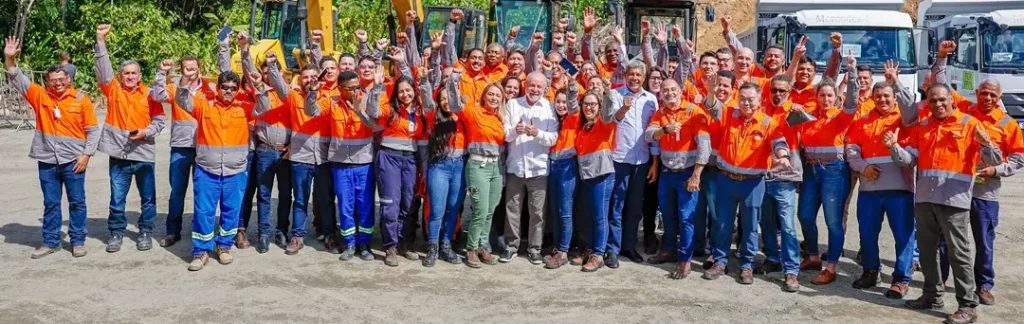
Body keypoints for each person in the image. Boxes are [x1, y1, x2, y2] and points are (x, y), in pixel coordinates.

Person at [890, 83, 1002, 324]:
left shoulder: (970, 124)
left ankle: (967, 305)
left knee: (958, 254)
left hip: (955, 200)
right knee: (928, 252)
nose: (938, 104)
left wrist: (986, 144)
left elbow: (995, 159)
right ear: (927, 103)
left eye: (942, 100)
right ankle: (932, 295)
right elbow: (910, 159)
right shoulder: (923, 127)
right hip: (925, 199)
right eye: (933, 101)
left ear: (952, 100)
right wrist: (894, 148)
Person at [5, 36, 99, 259]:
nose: (57, 82)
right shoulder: (39, 96)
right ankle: (50, 241)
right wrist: (9, 58)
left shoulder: (81, 100)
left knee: (77, 202)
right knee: (50, 202)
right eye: (52, 79)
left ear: (69, 78)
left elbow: (93, 130)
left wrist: (86, 155)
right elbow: (17, 78)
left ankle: (77, 241)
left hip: (74, 161)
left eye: (61, 78)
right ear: (47, 81)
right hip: (46, 159)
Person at [939, 79, 1024, 305]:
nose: (987, 98)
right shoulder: (965, 110)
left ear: (1000, 97)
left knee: (984, 241)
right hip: (956, 190)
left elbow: (1018, 159)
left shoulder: (1008, 124)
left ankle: (984, 285)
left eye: (993, 95)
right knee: (948, 238)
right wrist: (941, 57)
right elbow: (941, 86)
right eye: (984, 93)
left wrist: (996, 169)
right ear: (976, 93)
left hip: (985, 193)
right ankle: (941, 279)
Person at [175, 62, 267, 271]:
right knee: (204, 211)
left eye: (233, 88)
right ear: (218, 88)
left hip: (235, 172)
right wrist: (186, 78)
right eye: (225, 87)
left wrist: (260, 85)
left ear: (238, 91)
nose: (228, 91)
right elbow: (181, 99)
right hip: (207, 170)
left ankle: (224, 247)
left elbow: (265, 105)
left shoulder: (244, 109)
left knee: (231, 211)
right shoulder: (203, 106)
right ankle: (200, 251)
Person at [703, 83, 791, 285]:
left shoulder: (768, 122)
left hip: (752, 184)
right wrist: (710, 90)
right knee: (723, 223)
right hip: (726, 179)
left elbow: (778, 142)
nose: (746, 103)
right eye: (743, 98)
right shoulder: (729, 115)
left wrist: (783, 156)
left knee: (750, 226)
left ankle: (746, 265)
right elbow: (712, 106)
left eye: (751, 99)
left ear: (760, 100)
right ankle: (720, 261)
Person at [845, 62, 918, 298]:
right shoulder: (861, 121)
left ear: (894, 98)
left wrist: (894, 81)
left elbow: (909, 159)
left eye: (887, 96)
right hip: (869, 190)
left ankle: (901, 278)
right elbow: (851, 151)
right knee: (867, 233)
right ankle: (870, 270)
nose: (882, 100)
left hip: (899, 190)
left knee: (903, 235)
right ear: (872, 98)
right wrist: (863, 167)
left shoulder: (905, 120)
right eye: (878, 96)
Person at [93, 24, 167, 253]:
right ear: (120, 76)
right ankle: (116, 233)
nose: (131, 77)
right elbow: (103, 70)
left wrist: (146, 132)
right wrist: (100, 41)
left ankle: (145, 231)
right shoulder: (113, 90)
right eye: (127, 73)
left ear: (140, 76)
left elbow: (160, 122)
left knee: (148, 199)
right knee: (117, 199)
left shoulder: (150, 94)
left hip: (144, 155)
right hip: (119, 155)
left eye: (134, 73)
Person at [150, 32, 228, 249]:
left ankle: (200, 230)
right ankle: (172, 231)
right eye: (186, 67)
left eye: (194, 67)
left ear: (199, 68)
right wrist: (161, 73)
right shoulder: (174, 87)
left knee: (202, 192)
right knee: (177, 192)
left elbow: (226, 76)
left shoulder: (209, 90)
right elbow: (157, 95)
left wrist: (224, 44)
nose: (190, 70)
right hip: (180, 147)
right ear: (181, 69)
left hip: (205, 147)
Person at [795, 56, 861, 287]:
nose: (825, 99)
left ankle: (831, 266)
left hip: (834, 170)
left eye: (829, 96)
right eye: (821, 95)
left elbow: (853, 100)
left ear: (836, 98)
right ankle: (813, 256)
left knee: (833, 221)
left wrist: (852, 73)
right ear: (816, 97)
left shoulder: (842, 116)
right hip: (811, 170)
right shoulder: (807, 117)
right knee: (804, 215)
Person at [306, 69, 376, 262]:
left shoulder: (367, 100)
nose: (355, 91)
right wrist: (312, 93)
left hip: (364, 164)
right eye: (350, 88)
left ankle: (364, 244)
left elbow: (375, 125)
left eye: (357, 87)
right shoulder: (332, 101)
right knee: (345, 206)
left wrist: (358, 111)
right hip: (340, 165)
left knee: (365, 206)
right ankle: (350, 243)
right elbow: (311, 111)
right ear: (340, 89)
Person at [367, 48, 428, 267]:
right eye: (401, 91)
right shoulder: (390, 109)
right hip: (389, 158)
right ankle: (390, 246)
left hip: (410, 161)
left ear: (414, 91)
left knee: (409, 204)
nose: (405, 94)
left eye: (408, 90)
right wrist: (376, 88)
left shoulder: (420, 112)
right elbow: (373, 111)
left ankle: (406, 242)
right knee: (390, 204)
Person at [644, 78, 711, 279]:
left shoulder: (695, 112)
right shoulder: (661, 112)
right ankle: (669, 249)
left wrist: (696, 175)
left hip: (687, 173)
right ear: (661, 93)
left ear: (681, 91)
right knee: (667, 215)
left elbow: (704, 146)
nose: (669, 93)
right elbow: (648, 136)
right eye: (665, 90)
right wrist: (664, 130)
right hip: (667, 173)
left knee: (686, 218)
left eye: (673, 89)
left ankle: (685, 259)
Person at [266, 50, 330, 255]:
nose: (310, 80)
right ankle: (298, 235)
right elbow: (277, 84)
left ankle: (329, 235)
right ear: (300, 79)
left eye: (313, 76)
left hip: (323, 157)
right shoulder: (293, 96)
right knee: (300, 199)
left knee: (325, 199)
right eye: (306, 77)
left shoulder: (328, 97)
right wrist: (273, 65)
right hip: (301, 157)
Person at [236, 32, 292, 253]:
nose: (269, 75)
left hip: (286, 152)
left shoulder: (289, 95)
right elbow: (250, 72)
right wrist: (245, 50)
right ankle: (264, 235)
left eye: (274, 71)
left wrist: (294, 146)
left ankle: (281, 232)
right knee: (264, 194)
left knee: (286, 194)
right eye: (267, 72)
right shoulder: (262, 94)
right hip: (265, 151)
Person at [446, 72, 505, 268]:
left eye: (498, 95)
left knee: (489, 210)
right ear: (484, 96)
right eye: (491, 94)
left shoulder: (500, 119)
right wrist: (453, 81)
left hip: (496, 167)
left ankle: (482, 246)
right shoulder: (473, 111)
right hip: (478, 166)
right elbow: (454, 105)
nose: (494, 98)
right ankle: (470, 249)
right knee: (479, 210)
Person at [500, 71, 559, 265]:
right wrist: (515, 131)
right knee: (513, 209)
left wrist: (537, 133)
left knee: (538, 212)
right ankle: (511, 247)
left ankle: (535, 249)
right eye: (531, 85)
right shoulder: (513, 105)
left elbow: (553, 138)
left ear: (545, 89)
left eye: (539, 87)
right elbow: (504, 135)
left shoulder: (550, 108)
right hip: (516, 166)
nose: (534, 89)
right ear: (526, 85)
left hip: (539, 168)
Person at [607, 59, 658, 267]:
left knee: (635, 207)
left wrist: (655, 162)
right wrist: (623, 109)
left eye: (638, 75)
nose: (635, 78)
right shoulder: (615, 95)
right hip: (619, 158)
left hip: (642, 160)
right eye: (631, 74)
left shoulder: (651, 99)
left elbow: (653, 130)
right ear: (625, 76)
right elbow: (610, 120)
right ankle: (612, 248)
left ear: (644, 78)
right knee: (616, 205)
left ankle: (628, 246)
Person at [576, 87, 619, 272]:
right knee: (588, 216)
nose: (589, 107)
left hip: (602, 176)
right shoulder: (582, 126)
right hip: (586, 177)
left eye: (593, 104)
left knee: (600, 217)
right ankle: (589, 249)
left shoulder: (604, 122)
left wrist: (607, 94)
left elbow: (609, 112)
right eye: (586, 104)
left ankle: (599, 254)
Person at [544, 77, 581, 269]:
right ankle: (557, 245)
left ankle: (564, 250)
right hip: (553, 165)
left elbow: (573, 103)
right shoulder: (553, 120)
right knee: (554, 208)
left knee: (565, 211)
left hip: (568, 165)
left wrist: (572, 85)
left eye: (564, 102)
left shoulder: (574, 117)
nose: (561, 105)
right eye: (558, 101)